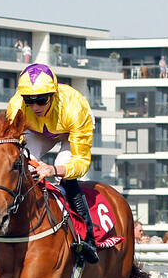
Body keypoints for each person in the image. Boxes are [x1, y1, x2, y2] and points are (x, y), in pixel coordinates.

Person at [5, 63, 99, 263]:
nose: (35, 106)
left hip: (70, 129)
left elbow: (81, 163)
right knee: (24, 165)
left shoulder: (75, 108)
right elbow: (14, 146)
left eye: (41, 100)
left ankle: (88, 238)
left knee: (62, 173)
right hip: (39, 130)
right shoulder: (16, 107)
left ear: (53, 95)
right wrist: (31, 162)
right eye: (29, 101)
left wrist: (54, 169)